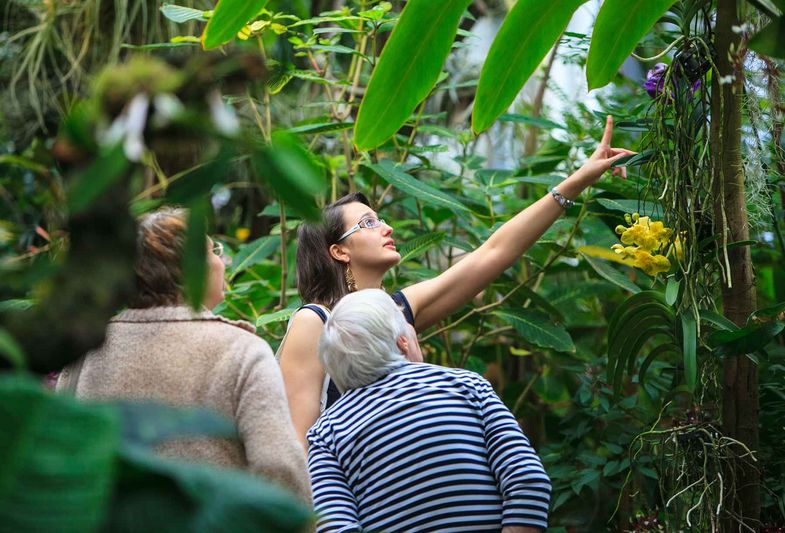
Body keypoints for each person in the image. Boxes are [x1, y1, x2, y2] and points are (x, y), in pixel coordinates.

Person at [279, 116, 634, 446]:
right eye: (369, 223)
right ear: (339, 252)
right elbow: (297, 443)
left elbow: (493, 253)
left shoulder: (399, 310)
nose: (387, 228)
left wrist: (578, 181)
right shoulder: (314, 322)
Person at [56, 207, 311, 503]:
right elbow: (278, 466)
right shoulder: (240, 349)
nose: (221, 260)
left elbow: (61, 455)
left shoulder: (85, 350)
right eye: (213, 250)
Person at [308, 289, 551, 532]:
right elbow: (528, 479)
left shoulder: (327, 434)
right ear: (402, 342)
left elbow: (336, 528)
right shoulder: (467, 386)